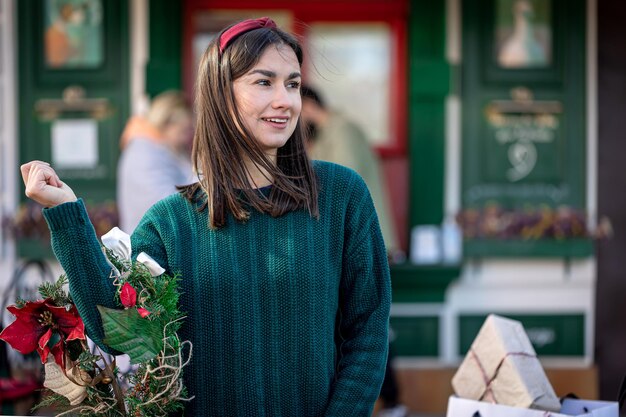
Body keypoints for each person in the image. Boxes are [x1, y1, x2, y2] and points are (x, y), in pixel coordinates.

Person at [20, 17, 391, 417]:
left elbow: (368, 331)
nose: (286, 99)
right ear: (221, 95)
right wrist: (66, 213)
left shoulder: (341, 196)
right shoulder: (171, 223)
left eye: (293, 83)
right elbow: (124, 337)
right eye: (264, 82)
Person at [301, 86, 408, 417]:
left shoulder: (342, 130)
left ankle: (391, 400)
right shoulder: (332, 131)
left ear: (307, 103)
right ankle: (390, 400)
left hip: (358, 239)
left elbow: (339, 188)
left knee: (365, 321)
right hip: (350, 239)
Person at [300, 85, 401, 259]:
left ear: (308, 106)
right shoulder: (324, 135)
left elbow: (340, 181)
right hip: (352, 236)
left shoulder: (343, 130)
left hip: (363, 237)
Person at [117, 90, 196, 232]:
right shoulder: (143, 153)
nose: (187, 137)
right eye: (183, 131)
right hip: (148, 246)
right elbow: (165, 205)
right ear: (165, 123)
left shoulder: (165, 149)